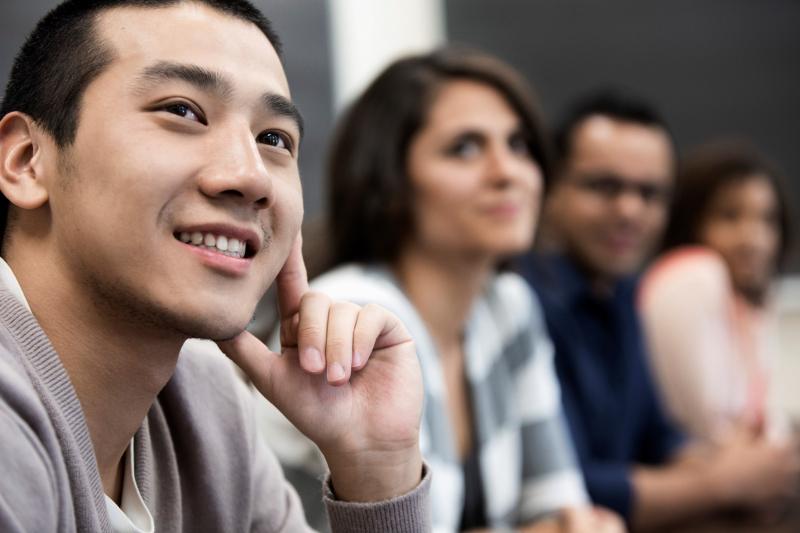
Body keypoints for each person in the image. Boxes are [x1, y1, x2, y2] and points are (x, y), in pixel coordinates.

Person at [0, 1, 433, 531]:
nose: (251, 176)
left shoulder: (207, 398)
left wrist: (375, 467)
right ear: (25, 160)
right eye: (182, 111)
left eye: (274, 140)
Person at [255, 48, 626, 533]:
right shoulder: (358, 316)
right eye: (466, 149)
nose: (508, 172)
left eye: (519, 145)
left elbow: (561, 506)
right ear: (389, 183)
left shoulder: (508, 305)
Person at [516, 92, 800, 530]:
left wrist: (741, 464)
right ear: (551, 188)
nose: (630, 210)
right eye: (604, 187)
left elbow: (659, 436)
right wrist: (723, 482)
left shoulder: (626, 294)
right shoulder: (522, 302)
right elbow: (564, 487)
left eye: (650, 193)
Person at [640, 139, 797, 444]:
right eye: (729, 216)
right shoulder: (694, 274)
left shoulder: (751, 306)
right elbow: (709, 432)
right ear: (691, 220)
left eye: (768, 220)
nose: (752, 238)